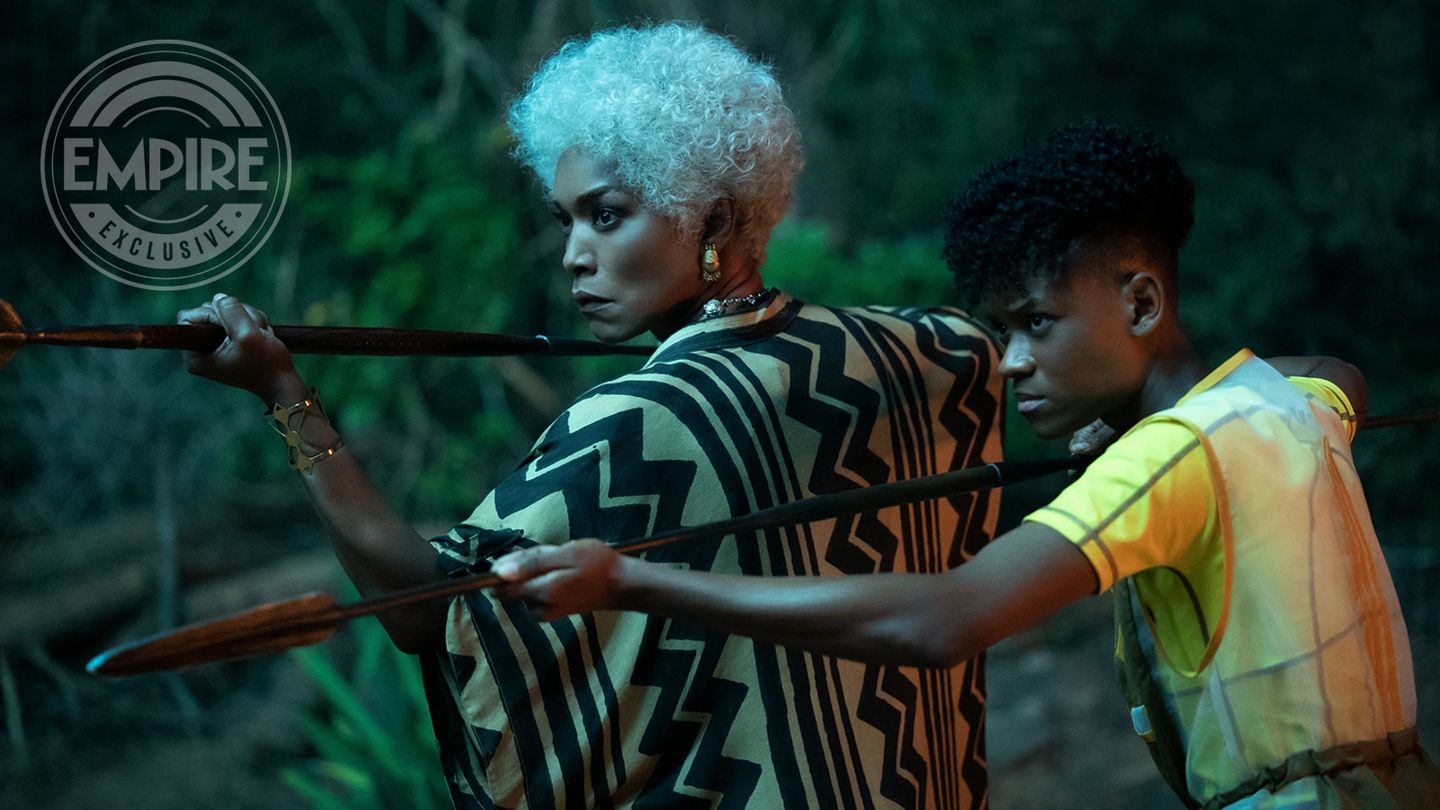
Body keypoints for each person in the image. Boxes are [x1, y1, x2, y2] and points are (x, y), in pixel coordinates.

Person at [491, 119, 1440, 808]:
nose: (1012, 361)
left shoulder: (1169, 457)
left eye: (1039, 323)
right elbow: (1339, 373)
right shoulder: (1284, 407)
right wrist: (1145, 419)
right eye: (1001, 330)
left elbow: (943, 619)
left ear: (1142, 304)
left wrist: (634, 580)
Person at [179, 23, 1004, 809]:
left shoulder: (641, 422)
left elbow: (430, 609)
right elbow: (979, 355)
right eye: (566, 219)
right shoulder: (923, 351)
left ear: (713, 218)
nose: (575, 255)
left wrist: (285, 397)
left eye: (606, 215)